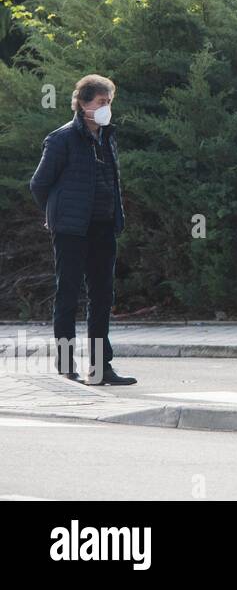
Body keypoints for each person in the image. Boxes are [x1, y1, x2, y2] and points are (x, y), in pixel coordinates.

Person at [29, 74, 135, 385]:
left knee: (102, 296)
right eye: (101, 102)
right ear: (83, 104)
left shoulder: (107, 136)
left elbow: (111, 183)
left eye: (109, 103)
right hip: (72, 230)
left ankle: (101, 368)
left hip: (103, 227)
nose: (106, 108)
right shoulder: (61, 139)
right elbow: (39, 184)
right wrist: (57, 214)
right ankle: (66, 366)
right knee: (68, 295)